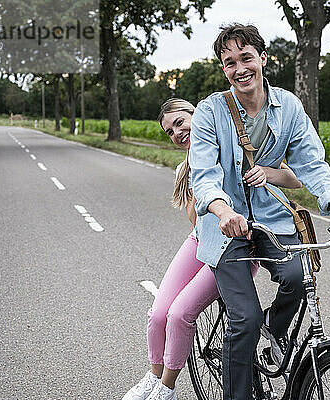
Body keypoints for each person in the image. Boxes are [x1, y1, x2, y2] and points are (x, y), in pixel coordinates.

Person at [188, 24, 330, 400]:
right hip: (225, 228)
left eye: (246, 58)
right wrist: (222, 212)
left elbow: (311, 162)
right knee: (244, 319)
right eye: (229, 62)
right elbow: (203, 177)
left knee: (299, 276)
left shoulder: (288, 107)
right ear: (224, 69)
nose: (239, 69)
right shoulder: (209, 112)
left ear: (263, 58)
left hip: (271, 218)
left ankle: (275, 329)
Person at [122, 98, 302, 400]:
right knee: (158, 314)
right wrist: (198, 184)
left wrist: (264, 173)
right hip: (201, 240)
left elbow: (294, 179)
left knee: (180, 314)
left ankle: (166, 387)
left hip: (236, 245)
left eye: (180, 123)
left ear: (200, 115)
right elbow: (196, 221)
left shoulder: (235, 145)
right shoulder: (186, 167)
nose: (177, 133)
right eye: (170, 132)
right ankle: (152, 378)